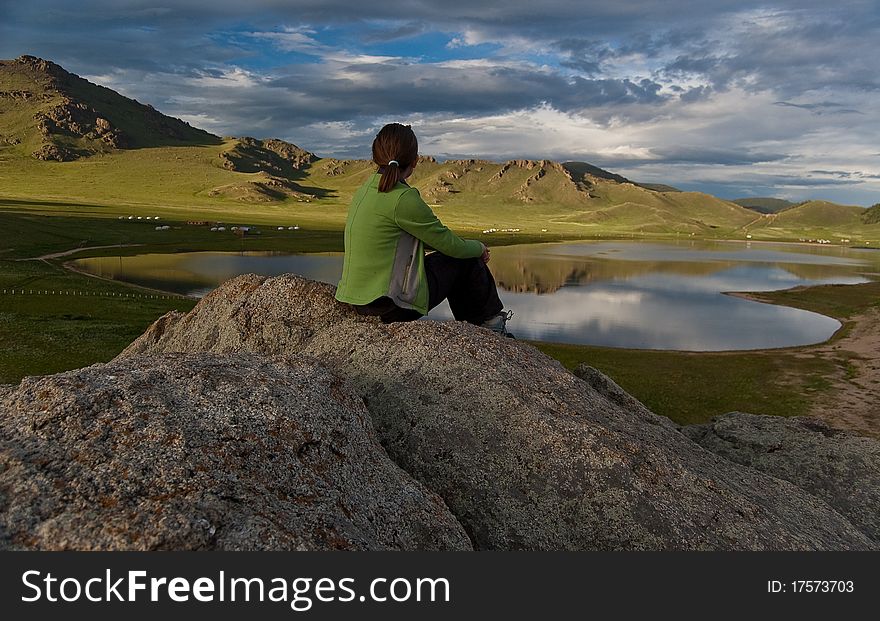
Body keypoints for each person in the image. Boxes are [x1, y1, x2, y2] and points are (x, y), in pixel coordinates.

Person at [335, 122, 513, 336]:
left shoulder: (365, 190)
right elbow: (449, 244)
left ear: (376, 155)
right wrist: (479, 248)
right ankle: (488, 327)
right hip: (389, 306)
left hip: (360, 301)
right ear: (415, 160)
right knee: (466, 260)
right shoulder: (403, 198)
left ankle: (478, 329)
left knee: (446, 259)